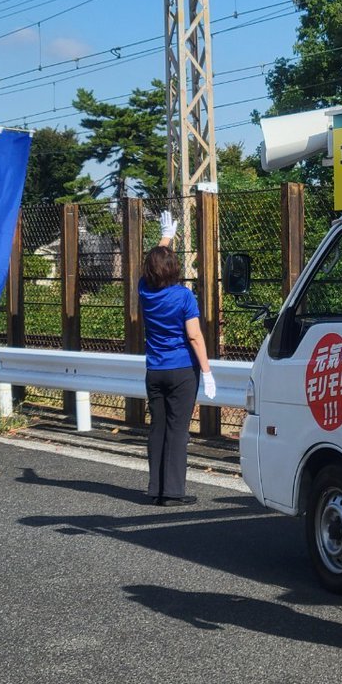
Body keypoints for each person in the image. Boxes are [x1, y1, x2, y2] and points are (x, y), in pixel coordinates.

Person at [140, 211, 216, 506]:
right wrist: (207, 371)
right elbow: (195, 337)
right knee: (177, 430)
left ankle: (155, 489)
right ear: (174, 268)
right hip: (183, 370)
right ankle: (173, 492)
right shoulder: (184, 297)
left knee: (157, 427)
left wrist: (166, 235)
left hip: (154, 370)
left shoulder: (144, 291)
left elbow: (154, 264)